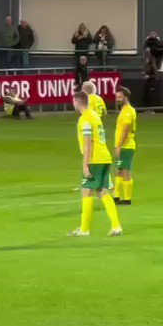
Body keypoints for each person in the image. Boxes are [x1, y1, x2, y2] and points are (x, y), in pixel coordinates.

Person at [69, 91, 123, 237]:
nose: (72, 104)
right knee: (102, 191)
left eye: (73, 101)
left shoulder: (85, 119)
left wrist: (85, 164)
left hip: (95, 159)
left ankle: (84, 229)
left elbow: (88, 144)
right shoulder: (94, 116)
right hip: (105, 157)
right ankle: (116, 226)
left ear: (78, 102)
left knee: (86, 191)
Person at [112, 86, 136, 206]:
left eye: (120, 97)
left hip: (126, 146)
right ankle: (116, 196)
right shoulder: (124, 110)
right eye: (116, 97)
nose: (117, 99)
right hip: (123, 146)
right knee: (119, 170)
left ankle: (127, 199)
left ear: (126, 97)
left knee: (125, 171)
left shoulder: (128, 111)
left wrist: (119, 146)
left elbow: (126, 130)